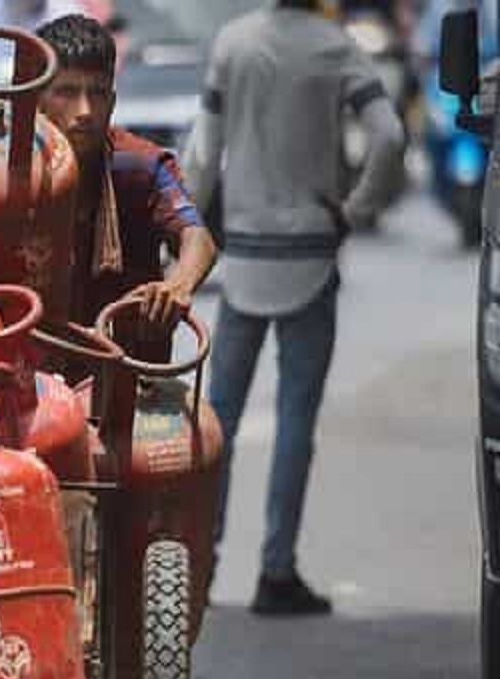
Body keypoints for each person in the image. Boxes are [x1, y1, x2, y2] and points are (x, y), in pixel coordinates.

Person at [183, 0, 405, 615]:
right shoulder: (336, 48)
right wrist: (356, 210)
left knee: (218, 419)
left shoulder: (233, 43)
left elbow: (202, 151)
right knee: (295, 419)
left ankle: (201, 568)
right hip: (310, 254)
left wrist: (188, 229)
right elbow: (389, 134)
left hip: (245, 255)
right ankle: (276, 572)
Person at [34, 14, 217, 338]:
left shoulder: (143, 165)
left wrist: (179, 284)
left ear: (113, 102)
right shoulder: (7, 172)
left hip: (128, 368)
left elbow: (197, 238)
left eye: (98, 93)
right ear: (36, 102)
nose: (85, 111)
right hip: (32, 370)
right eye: (66, 92)